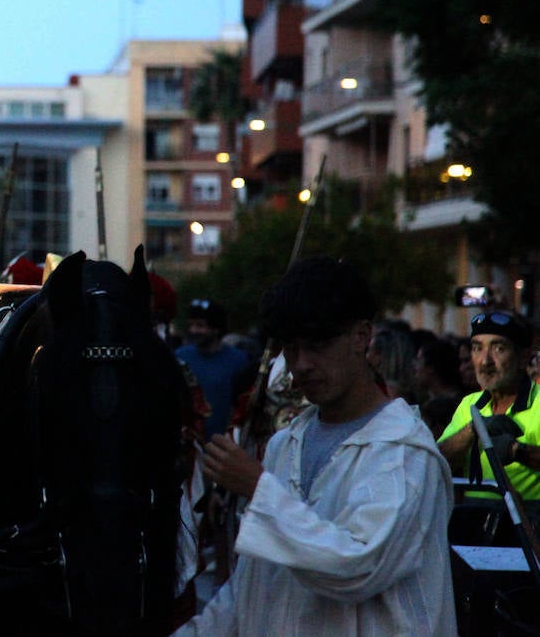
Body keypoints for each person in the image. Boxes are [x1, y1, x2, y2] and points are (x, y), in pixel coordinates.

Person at [179, 256, 455, 636]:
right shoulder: (284, 446)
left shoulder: (403, 453)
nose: (302, 364)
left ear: (361, 337)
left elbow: (357, 566)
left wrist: (258, 489)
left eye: (318, 344)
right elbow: (252, 588)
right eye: (291, 349)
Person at [437, 310, 540, 499]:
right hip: (475, 522)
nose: (485, 361)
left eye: (499, 349)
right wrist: (472, 430)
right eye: (477, 348)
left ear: (524, 358)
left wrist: (517, 452)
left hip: (527, 524)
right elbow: (435, 461)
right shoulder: (470, 403)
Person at [174, 299, 248, 441]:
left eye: (200, 325)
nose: (193, 330)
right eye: (191, 325)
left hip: (223, 443)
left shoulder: (238, 360)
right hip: (189, 445)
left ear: (216, 328)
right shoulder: (181, 357)